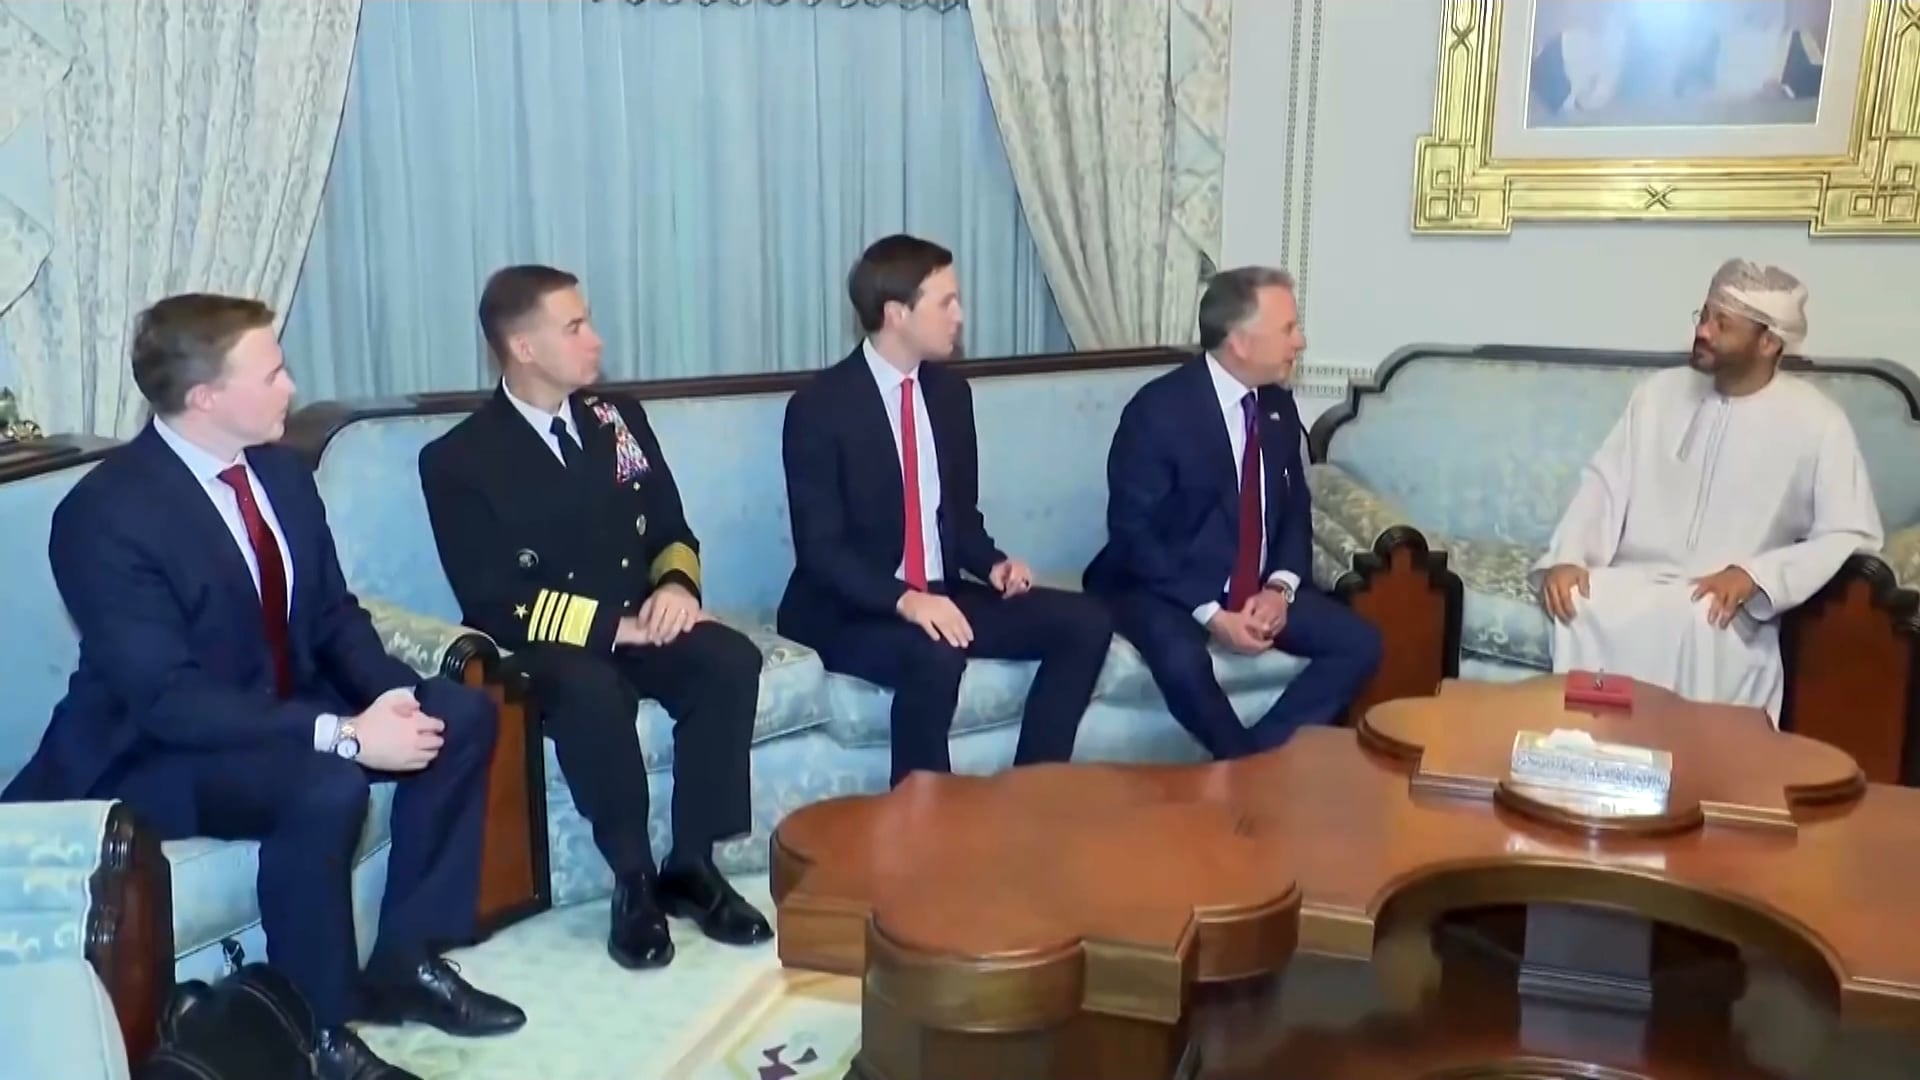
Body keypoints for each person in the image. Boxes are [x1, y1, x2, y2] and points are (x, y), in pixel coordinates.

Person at [0, 294, 524, 1080]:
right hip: (156, 750)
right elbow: (168, 699)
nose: (292, 386)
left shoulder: (279, 473)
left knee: (458, 715)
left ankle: (407, 961)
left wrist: (391, 699)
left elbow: (332, 616)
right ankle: (318, 1031)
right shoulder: (104, 515)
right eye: (273, 372)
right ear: (206, 397)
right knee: (323, 784)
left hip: (274, 712)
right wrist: (345, 735)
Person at [418, 265, 771, 973]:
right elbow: (491, 599)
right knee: (589, 690)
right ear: (524, 347)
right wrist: (614, 625)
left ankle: (692, 864)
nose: (596, 340)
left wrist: (676, 587)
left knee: (729, 660)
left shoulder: (616, 419)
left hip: (642, 622)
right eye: (575, 327)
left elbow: (670, 528)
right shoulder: (458, 459)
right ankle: (633, 880)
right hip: (549, 641)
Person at [777, 234, 1113, 785]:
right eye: (946, 302)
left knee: (1086, 622)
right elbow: (821, 552)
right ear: (896, 313)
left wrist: (994, 564)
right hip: (849, 607)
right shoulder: (820, 407)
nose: (959, 316)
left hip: (940, 592)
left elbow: (960, 517)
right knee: (934, 654)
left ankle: (1034, 789)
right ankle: (923, 816)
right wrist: (907, 601)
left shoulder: (951, 395)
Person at [1531, 258, 1884, 722]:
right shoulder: (1657, 394)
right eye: (1703, 316)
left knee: (1701, 621)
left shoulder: (1818, 422)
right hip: (1632, 581)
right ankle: (1590, 752)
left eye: (1722, 324)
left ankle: (1693, 761)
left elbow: (1851, 533)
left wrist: (1756, 576)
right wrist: (1570, 556)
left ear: (1768, 342)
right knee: (1580, 601)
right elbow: (1604, 483)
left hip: (1724, 600)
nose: (1702, 331)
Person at [1083, 267, 1382, 759]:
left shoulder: (1277, 405)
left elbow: (1294, 507)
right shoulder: (1158, 411)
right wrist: (1212, 614)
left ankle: (1255, 759)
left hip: (1256, 586)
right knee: (1182, 661)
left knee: (1360, 643)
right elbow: (1134, 535)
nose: (1301, 342)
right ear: (1240, 342)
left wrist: (1280, 588)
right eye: (1288, 329)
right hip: (1161, 585)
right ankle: (1246, 768)